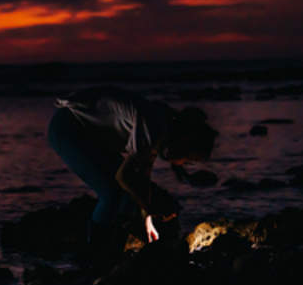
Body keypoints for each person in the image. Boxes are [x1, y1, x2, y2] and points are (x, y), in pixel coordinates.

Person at [47, 86, 217, 271]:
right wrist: (150, 208)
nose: (184, 163)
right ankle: (95, 256)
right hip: (68, 128)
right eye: (189, 159)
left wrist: (147, 219)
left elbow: (142, 177)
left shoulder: (163, 130)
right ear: (186, 141)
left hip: (92, 135)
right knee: (111, 193)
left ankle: (112, 254)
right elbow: (124, 177)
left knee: (128, 195)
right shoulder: (154, 126)